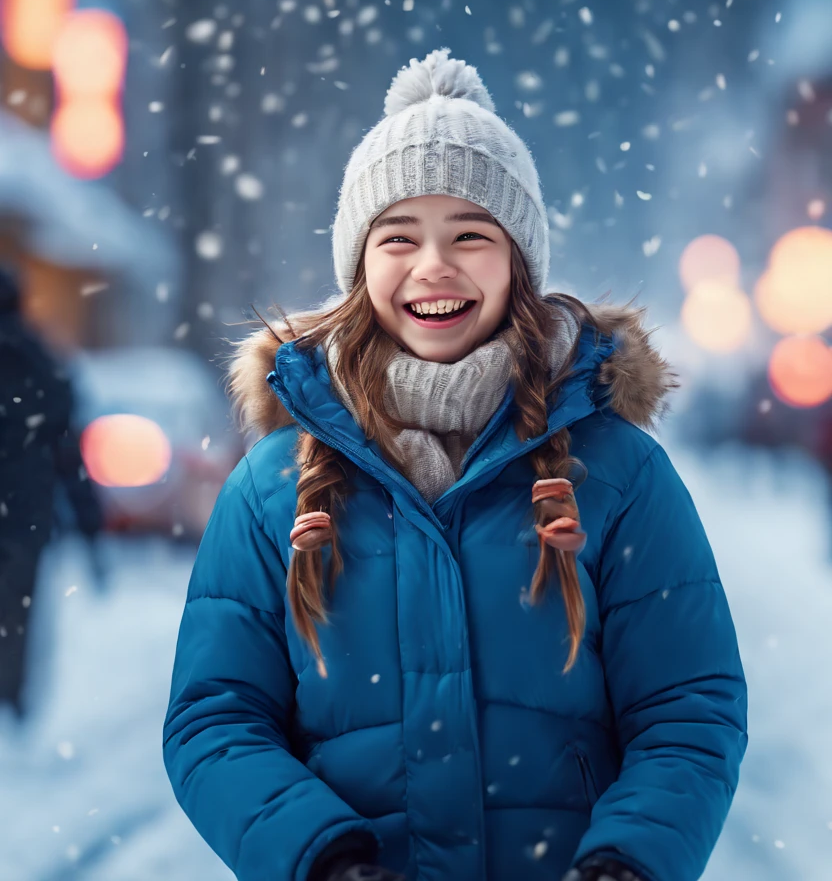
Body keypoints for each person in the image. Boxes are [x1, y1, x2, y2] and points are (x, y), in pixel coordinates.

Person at [163, 51, 747, 881]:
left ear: (519, 263)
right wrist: (319, 857)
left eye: (470, 234)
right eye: (398, 237)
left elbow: (688, 710)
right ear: (361, 267)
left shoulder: (618, 474)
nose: (433, 265)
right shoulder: (271, 488)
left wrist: (630, 860)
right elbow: (215, 719)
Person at [0, 265, 103, 716]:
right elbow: (69, 457)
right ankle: (11, 702)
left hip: (25, 517)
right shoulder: (43, 365)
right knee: (14, 620)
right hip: (26, 520)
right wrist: (90, 528)